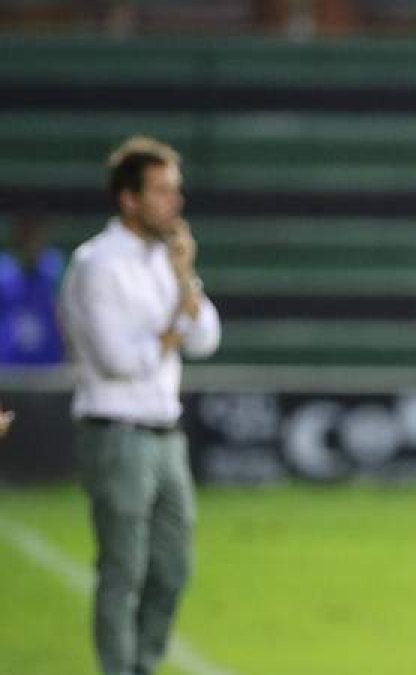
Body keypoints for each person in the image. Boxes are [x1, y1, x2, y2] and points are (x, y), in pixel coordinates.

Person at [59, 136, 220, 675]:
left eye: (176, 190)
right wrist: (175, 324)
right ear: (129, 199)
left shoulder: (164, 260)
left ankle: (141, 665)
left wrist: (182, 281)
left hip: (164, 433)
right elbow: (118, 360)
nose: (175, 202)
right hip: (115, 431)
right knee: (123, 570)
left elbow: (206, 337)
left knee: (173, 568)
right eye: (162, 191)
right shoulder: (97, 265)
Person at [0, 212, 66, 365]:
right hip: (8, 367)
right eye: (26, 236)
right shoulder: (3, 270)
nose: (31, 242)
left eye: (35, 237)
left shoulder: (55, 267)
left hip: (48, 365)